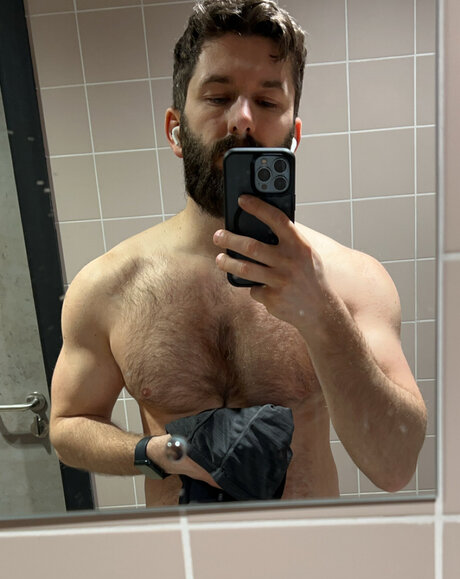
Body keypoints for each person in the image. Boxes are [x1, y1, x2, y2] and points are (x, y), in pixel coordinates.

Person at [49, 0, 427, 506]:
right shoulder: (108, 286)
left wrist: (322, 314)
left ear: (293, 136)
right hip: (180, 552)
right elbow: (68, 424)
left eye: (267, 102)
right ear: (176, 129)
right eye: (219, 96)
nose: (243, 119)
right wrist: (152, 452)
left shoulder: (353, 281)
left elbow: (395, 466)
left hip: (306, 547)